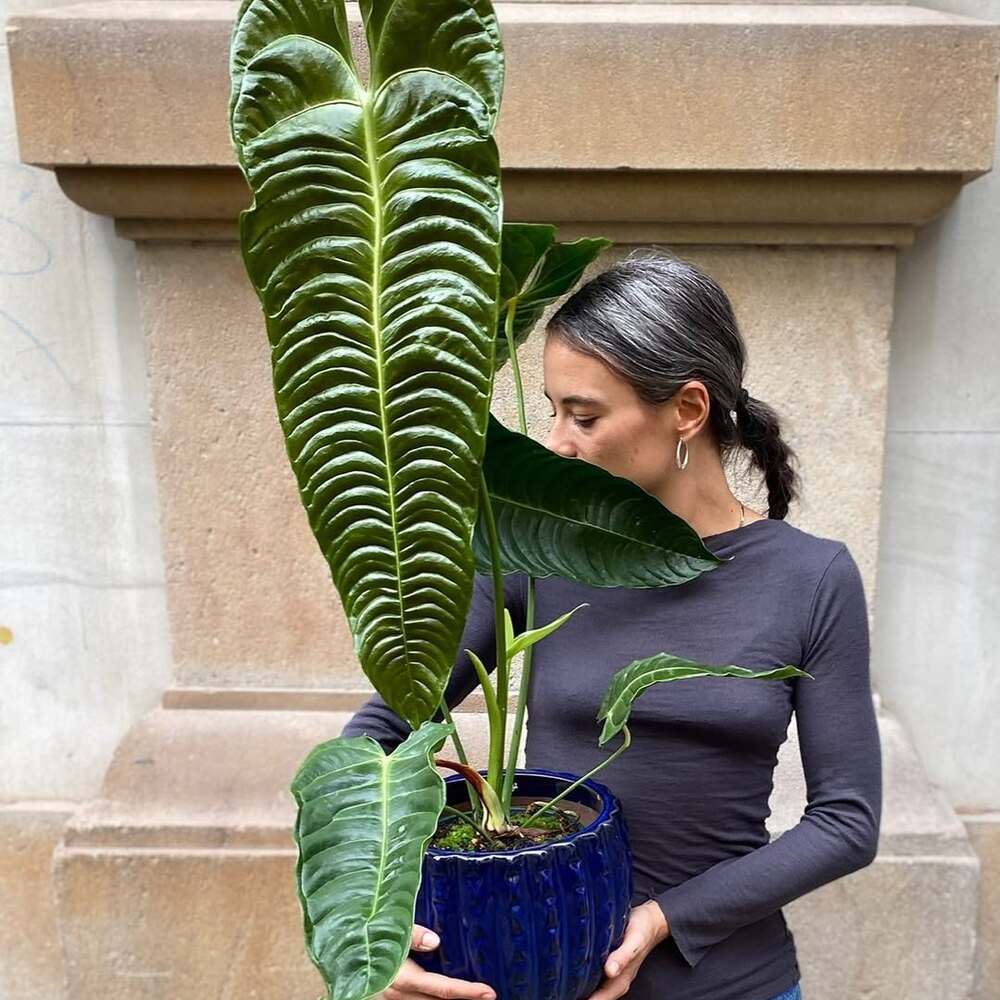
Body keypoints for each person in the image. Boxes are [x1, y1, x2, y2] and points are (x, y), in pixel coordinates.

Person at [342, 251, 883, 1000]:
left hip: (731, 985)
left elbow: (846, 823)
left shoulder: (812, 578)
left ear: (687, 410)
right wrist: (377, 913)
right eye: (554, 408)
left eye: (585, 416)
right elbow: (379, 731)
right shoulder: (531, 549)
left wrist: (662, 919)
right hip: (534, 978)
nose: (556, 442)